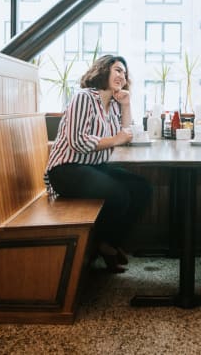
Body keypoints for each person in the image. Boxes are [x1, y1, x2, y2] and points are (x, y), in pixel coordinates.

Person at [45, 54, 152, 273]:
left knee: (142, 188)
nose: (122, 75)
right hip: (66, 169)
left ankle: (108, 243)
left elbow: (126, 133)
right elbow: (78, 141)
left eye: (124, 72)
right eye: (117, 70)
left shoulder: (113, 104)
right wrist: (116, 139)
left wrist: (126, 104)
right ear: (103, 70)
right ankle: (103, 244)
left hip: (93, 166)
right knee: (119, 195)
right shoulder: (84, 97)